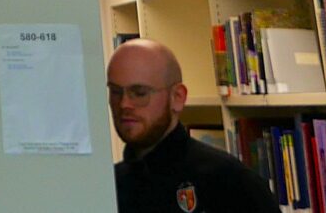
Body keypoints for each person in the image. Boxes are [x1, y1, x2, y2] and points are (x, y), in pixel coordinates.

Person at [108, 38, 278, 213]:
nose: (124, 104)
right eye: (115, 92)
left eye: (139, 93)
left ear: (177, 97)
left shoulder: (229, 181)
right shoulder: (108, 186)